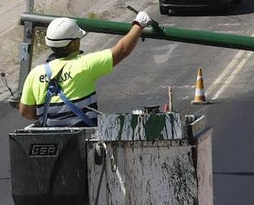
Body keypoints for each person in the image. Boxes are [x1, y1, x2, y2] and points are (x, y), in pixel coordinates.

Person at [18, 10, 153, 128]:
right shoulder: (84, 65)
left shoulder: (35, 74)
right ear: (74, 43)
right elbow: (122, 50)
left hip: (51, 142)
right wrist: (139, 24)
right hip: (83, 143)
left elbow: (25, 111)